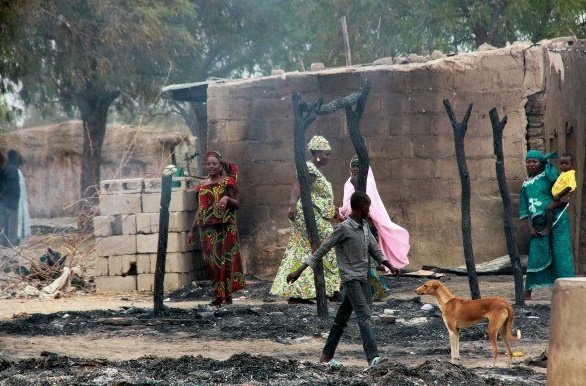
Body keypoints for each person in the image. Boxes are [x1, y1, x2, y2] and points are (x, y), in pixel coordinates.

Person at [287, 191, 400, 368]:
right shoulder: (343, 228)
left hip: (363, 278)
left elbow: (375, 250)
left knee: (341, 319)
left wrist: (389, 265)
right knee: (364, 316)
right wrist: (300, 270)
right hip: (351, 279)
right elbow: (322, 250)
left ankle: (326, 356)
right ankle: (373, 358)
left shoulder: (364, 227)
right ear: (360, 206)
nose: (369, 211)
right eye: (367, 207)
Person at [269, 135, 340, 304]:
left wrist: (335, 213)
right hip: (309, 215)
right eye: (326, 154)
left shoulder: (314, 169)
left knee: (305, 250)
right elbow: (298, 186)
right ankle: (331, 291)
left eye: (329, 154)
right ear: (316, 153)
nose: (328, 157)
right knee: (327, 245)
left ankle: (301, 293)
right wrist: (292, 205)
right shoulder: (309, 168)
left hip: (316, 214)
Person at [339, 156, 410, 301]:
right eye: (353, 166)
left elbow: (367, 207)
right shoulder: (348, 183)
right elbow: (348, 206)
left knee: (367, 259)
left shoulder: (367, 182)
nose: (355, 169)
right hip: (351, 226)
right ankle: (366, 290)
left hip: (367, 226)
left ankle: (374, 290)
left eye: (359, 166)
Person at [188, 150, 245, 306]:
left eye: (214, 163)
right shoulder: (201, 186)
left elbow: (237, 203)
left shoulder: (228, 182)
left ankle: (228, 296)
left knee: (226, 262)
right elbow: (200, 209)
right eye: (208, 164)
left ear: (220, 166)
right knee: (212, 263)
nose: (211, 166)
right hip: (206, 229)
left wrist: (226, 198)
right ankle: (218, 296)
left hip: (225, 228)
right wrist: (192, 230)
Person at [519, 150, 574, 300]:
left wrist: (556, 202)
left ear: (541, 162)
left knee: (560, 252)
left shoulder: (548, 175)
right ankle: (528, 291)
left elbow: (563, 185)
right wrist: (530, 227)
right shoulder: (526, 185)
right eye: (528, 161)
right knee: (536, 254)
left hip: (556, 218)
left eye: (534, 161)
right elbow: (526, 209)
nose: (531, 164)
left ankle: (567, 290)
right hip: (537, 225)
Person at [540, 153, 576, 236]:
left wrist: (559, 195)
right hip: (556, 196)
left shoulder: (570, 175)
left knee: (548, 209)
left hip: (561, 197)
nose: (563, 166)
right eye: (562, 163)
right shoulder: (564, 173)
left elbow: (569, 187)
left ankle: (548, 228)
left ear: (572, 165)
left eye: (566, 164)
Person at [0, 149, 22, 247]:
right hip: (12, 202)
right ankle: (11, 244)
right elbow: (15, 188)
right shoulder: (14, 170)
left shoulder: (4, 168)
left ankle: (4, 243)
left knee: (4, 224)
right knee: (12, 225)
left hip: (4, 201)